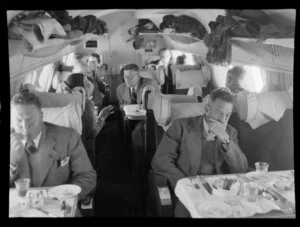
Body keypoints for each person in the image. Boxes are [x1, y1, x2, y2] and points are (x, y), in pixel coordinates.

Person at [151, 87, 248, 217]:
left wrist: (226, 140)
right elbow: (160, 160)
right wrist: (183, 184)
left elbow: (241, 168)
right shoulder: (181, 126)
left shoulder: (230, 132)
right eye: (219, 113)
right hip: (191, 188)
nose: (223, 119)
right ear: (207, 109)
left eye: (228, 114)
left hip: (221, 191)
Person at [10, 91, 97, 201]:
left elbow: (87, 176)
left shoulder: (68, 137)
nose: (25, 128)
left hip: (60, 205)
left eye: (30, 121)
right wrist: (11, 164)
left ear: (41, 116)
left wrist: (65, 197)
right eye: (18, 121)